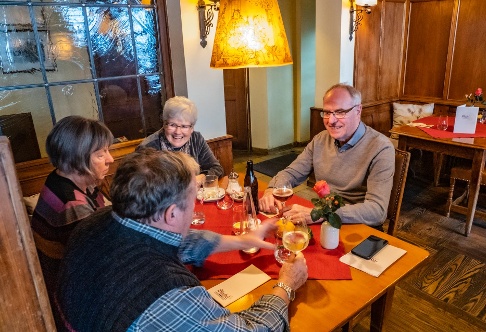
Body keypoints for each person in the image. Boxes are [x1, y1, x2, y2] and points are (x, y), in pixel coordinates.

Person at [56, 148, 308, 331]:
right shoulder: (167, 294)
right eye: (192, 199)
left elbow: (175, 241)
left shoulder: (95, 222)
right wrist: (286, 286)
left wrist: (243, 241)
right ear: (172, 213)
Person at [259, 83, 395, 228]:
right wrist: (272, 189)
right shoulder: (320, 139)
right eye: (327, 113)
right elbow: (292, 173)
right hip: (324, 221)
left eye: (340, 112)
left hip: (357, 226)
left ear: (358, 111)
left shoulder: (381, 147)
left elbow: (377, 211)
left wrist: (321, 213)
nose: (331, 121)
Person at [30, 116, 114, 320]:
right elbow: (104, 262)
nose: (111, 159)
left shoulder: (60, 178)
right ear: (76, 158)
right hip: (78, 299)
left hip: (73, 281)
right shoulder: (72, 204)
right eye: (101, 154)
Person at [137, 96, 223, 185]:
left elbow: (217, 169)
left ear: (192, 128)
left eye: (184, 126)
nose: (178, 132)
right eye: (172, 125)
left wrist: (203, 177)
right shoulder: (148, 147)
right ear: (164, 123)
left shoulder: (196, 139)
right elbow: (141, 186)